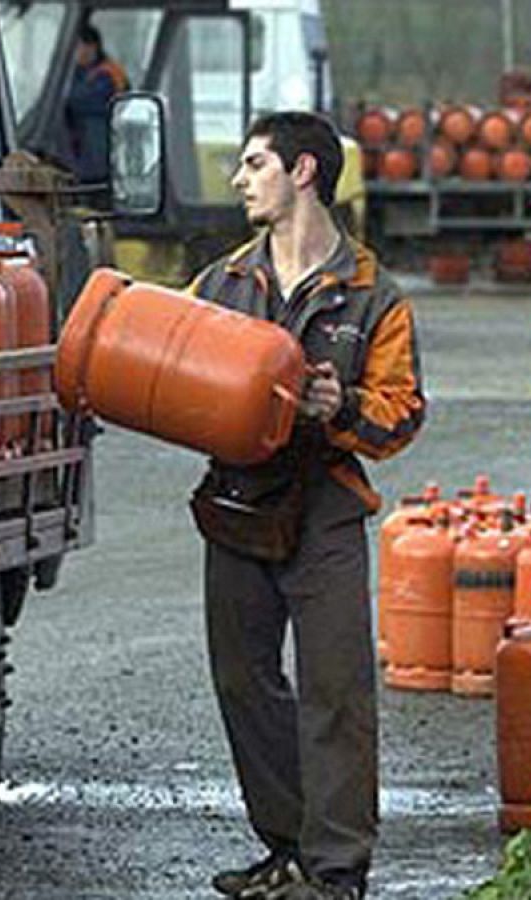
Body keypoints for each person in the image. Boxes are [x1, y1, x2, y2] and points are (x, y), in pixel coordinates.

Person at [185, 112, 426, 900]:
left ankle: (335, 870)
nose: (239, 179)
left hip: (324, 508)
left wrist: (341, 405)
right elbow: (170, 368)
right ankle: (284, 846)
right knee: (241, 682)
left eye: (255, 163)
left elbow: (404, 413)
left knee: (337, 692)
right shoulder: (220, 285)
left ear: (304, 174)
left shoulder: (372, 295)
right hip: (236, 503)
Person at [63, 22, 128, 184]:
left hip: (100, 158)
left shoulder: (108, 75)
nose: (74, 52)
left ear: (91, 47)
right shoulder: (80, 72)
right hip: (81, 153)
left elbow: (76, 102)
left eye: (77, 46)